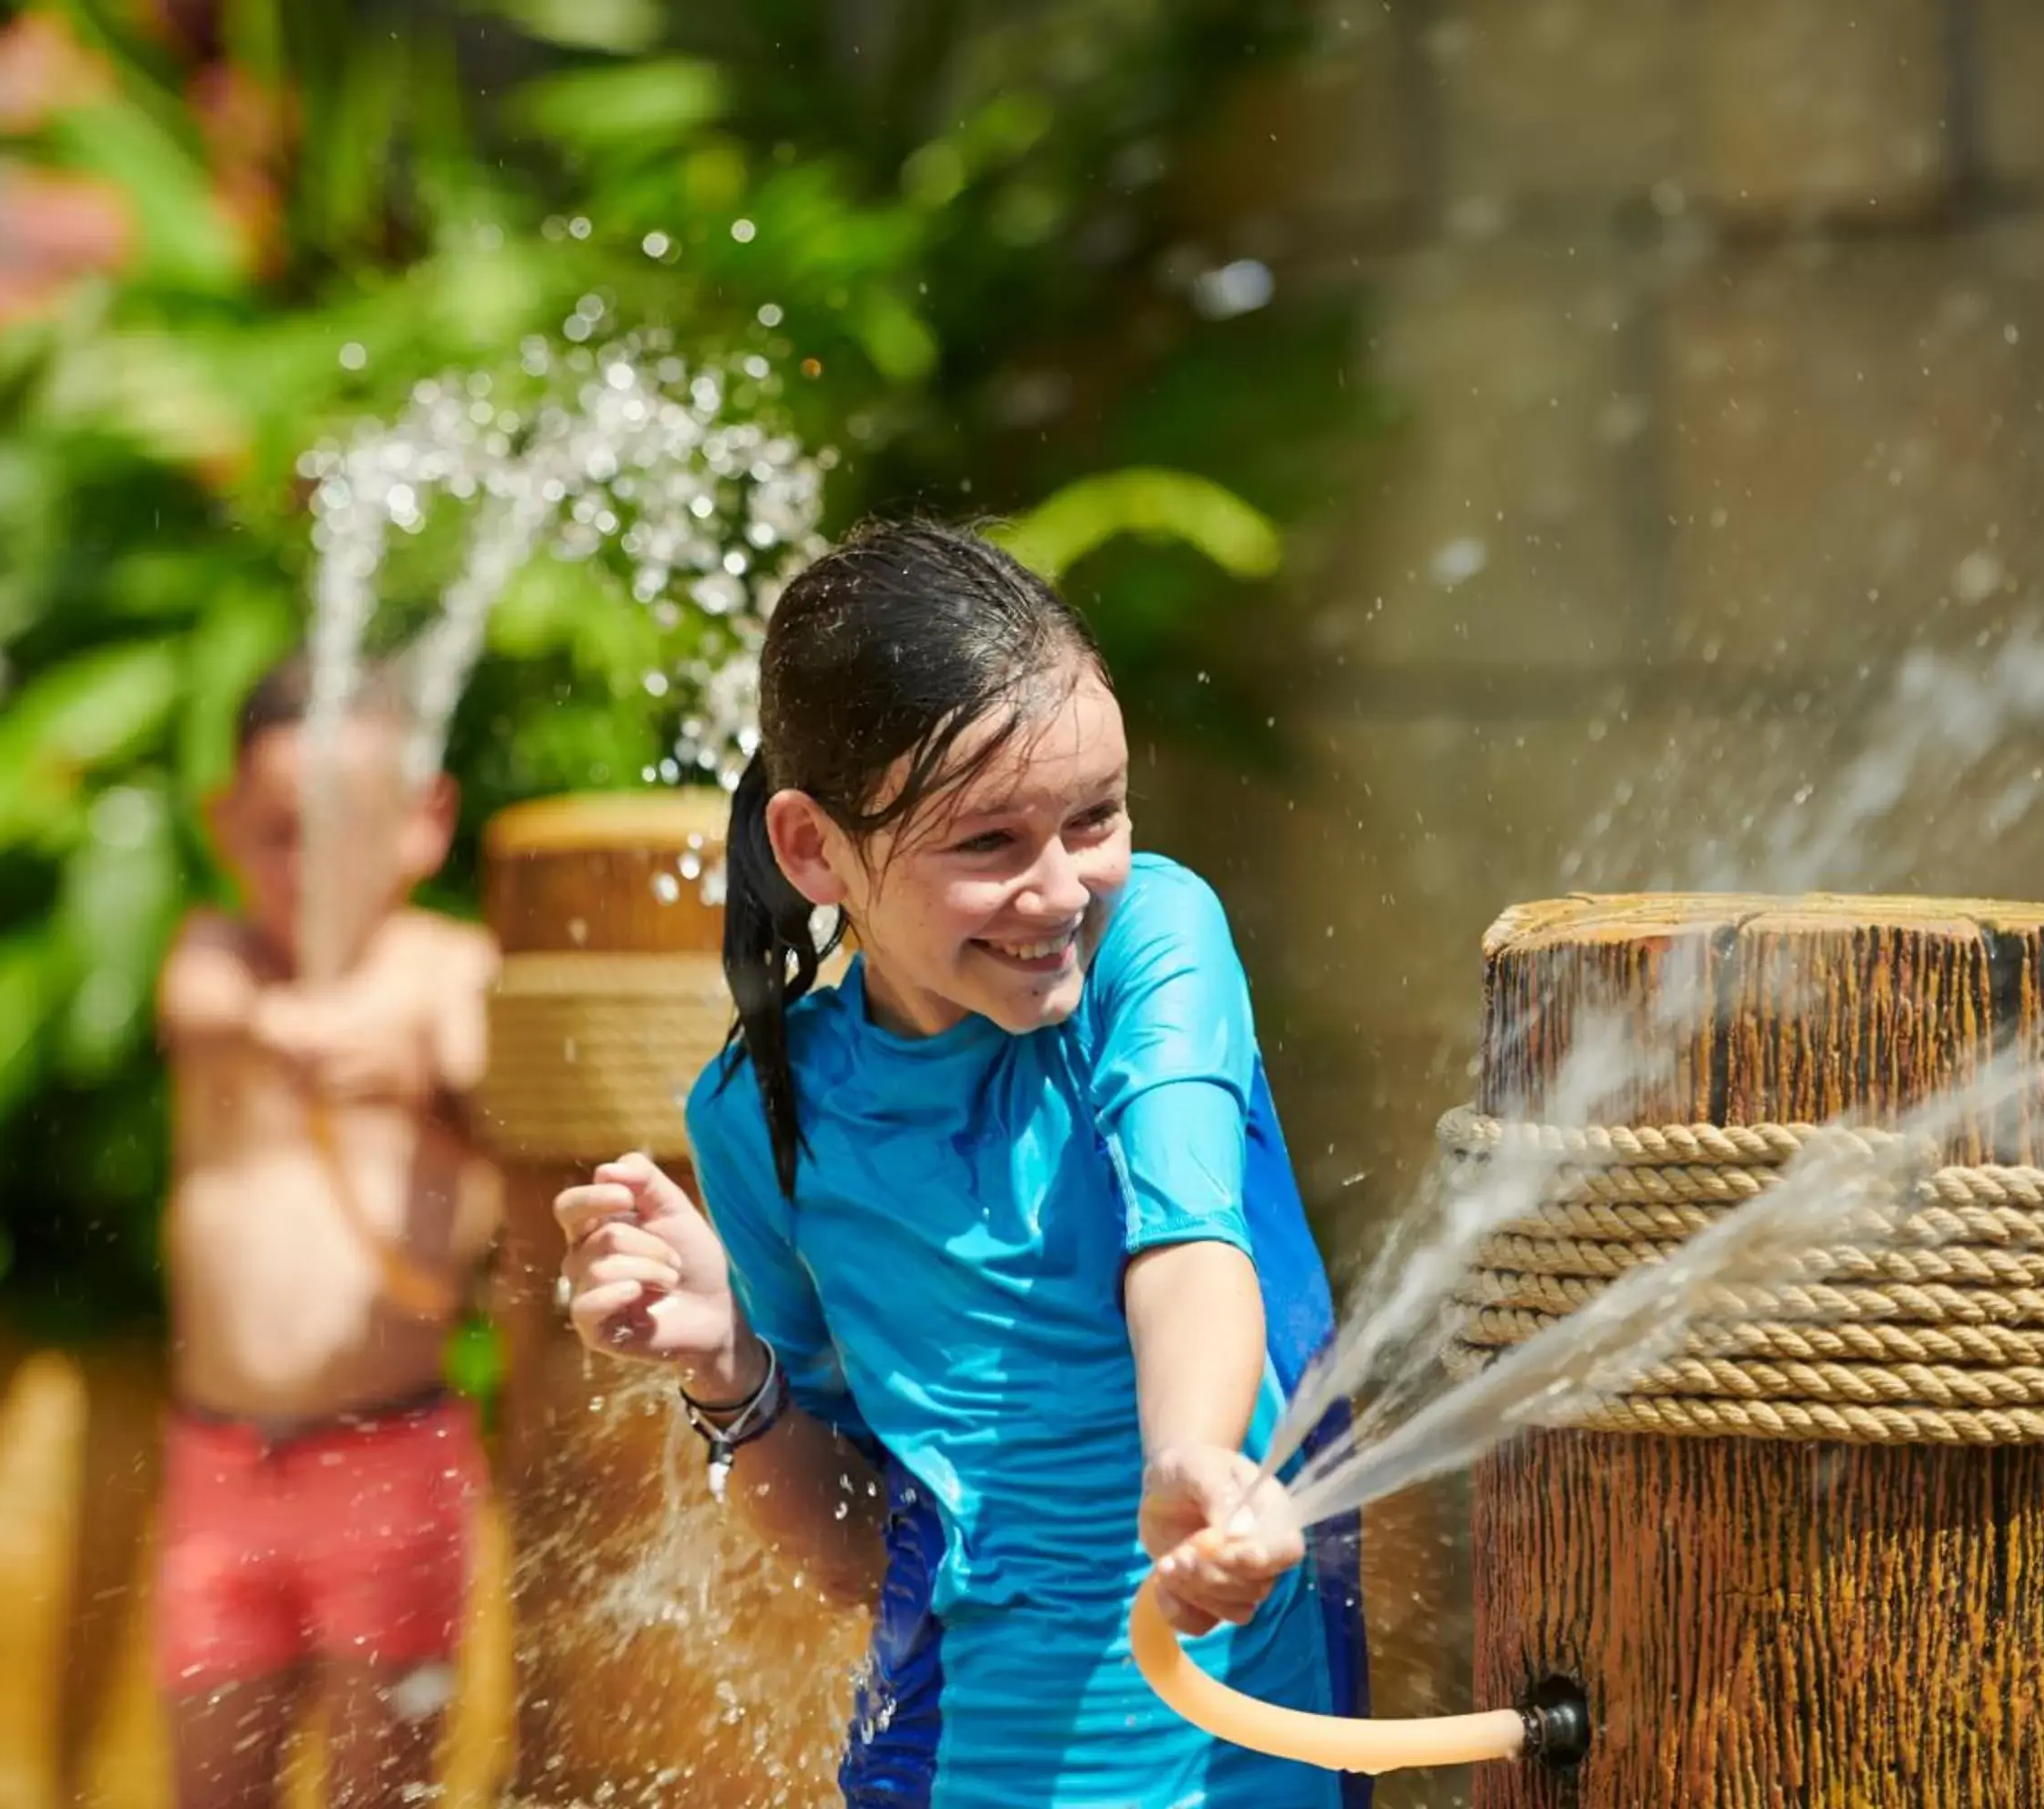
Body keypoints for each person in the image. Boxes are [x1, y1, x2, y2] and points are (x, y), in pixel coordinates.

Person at [553, 520, 1369, 1808]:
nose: (1058, 890)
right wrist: (727, 1366)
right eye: (987, 844)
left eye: (1093, 816)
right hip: (945, 1768)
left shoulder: (1152, 942)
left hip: (1240, 1747)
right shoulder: (764, 1118)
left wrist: (1193, 1465)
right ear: (817, 850)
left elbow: (1189, 1243)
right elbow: (854, 1556)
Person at [153, 653, 502, 1809]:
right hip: (222, 1465)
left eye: (347, 828)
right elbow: (193, 1010)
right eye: (279, 833)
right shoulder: (221, 960)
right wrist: (284, 1025)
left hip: (389, 1462)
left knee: (380, 1787)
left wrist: (419, 1076)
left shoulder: (448, 971)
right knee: (212, 1784)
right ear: (225, 826)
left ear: (424, 821)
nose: (312, 869)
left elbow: (500, 1095)